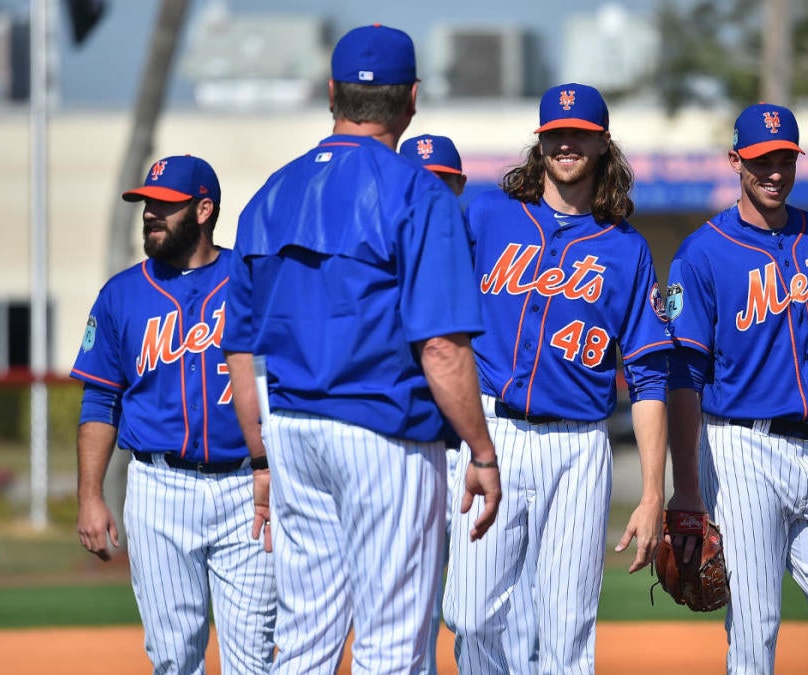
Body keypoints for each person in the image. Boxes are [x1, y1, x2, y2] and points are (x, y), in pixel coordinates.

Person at [221, 25, 501, 673]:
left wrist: (262, 455)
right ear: (411, 100)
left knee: (307, 639)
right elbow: (441, 347)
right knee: (392, 643)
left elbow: (238, 347)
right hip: (384, 434)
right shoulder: (418, 191)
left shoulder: (271, 192)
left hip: (293, 434)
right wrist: (481, 450)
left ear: (331, 95)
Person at [442, 82, 673, 674]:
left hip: (580, 445)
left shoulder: (626, 249)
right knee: (468, 613)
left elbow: (647, 379)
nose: (566, 144)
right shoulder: (491, 215)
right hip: (494, 433)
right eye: (555, 135)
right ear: (540, 143)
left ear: (601, 145)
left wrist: (652, 494)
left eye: (578, 135)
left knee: (568, 627)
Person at [664, 103, 808, 674]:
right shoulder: (702, 252)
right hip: (741, 449)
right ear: (736, 161)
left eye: (785, 159)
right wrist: (687, 491)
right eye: (762, 160)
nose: (774, 172)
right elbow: (684, 378)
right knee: (754, 629)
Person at [72, 154, 276, 673]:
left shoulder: (252, 280)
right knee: (173, 657)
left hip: (245, 489)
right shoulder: (121, 295)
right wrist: (91, 497)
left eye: (165, 206)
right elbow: (99, 400)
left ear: (203, 209)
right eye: (147, 205)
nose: (150, 215)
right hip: (159, 490)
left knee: (252, 659)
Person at [398, 133, 539, 675]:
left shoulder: (484, 241)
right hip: (404, 443)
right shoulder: (379, 258)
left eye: (443, 182)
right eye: (420, 181)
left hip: (477, 436)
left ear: (458, 186)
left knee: (499, 606)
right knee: (410, 605)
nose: (432, 192)